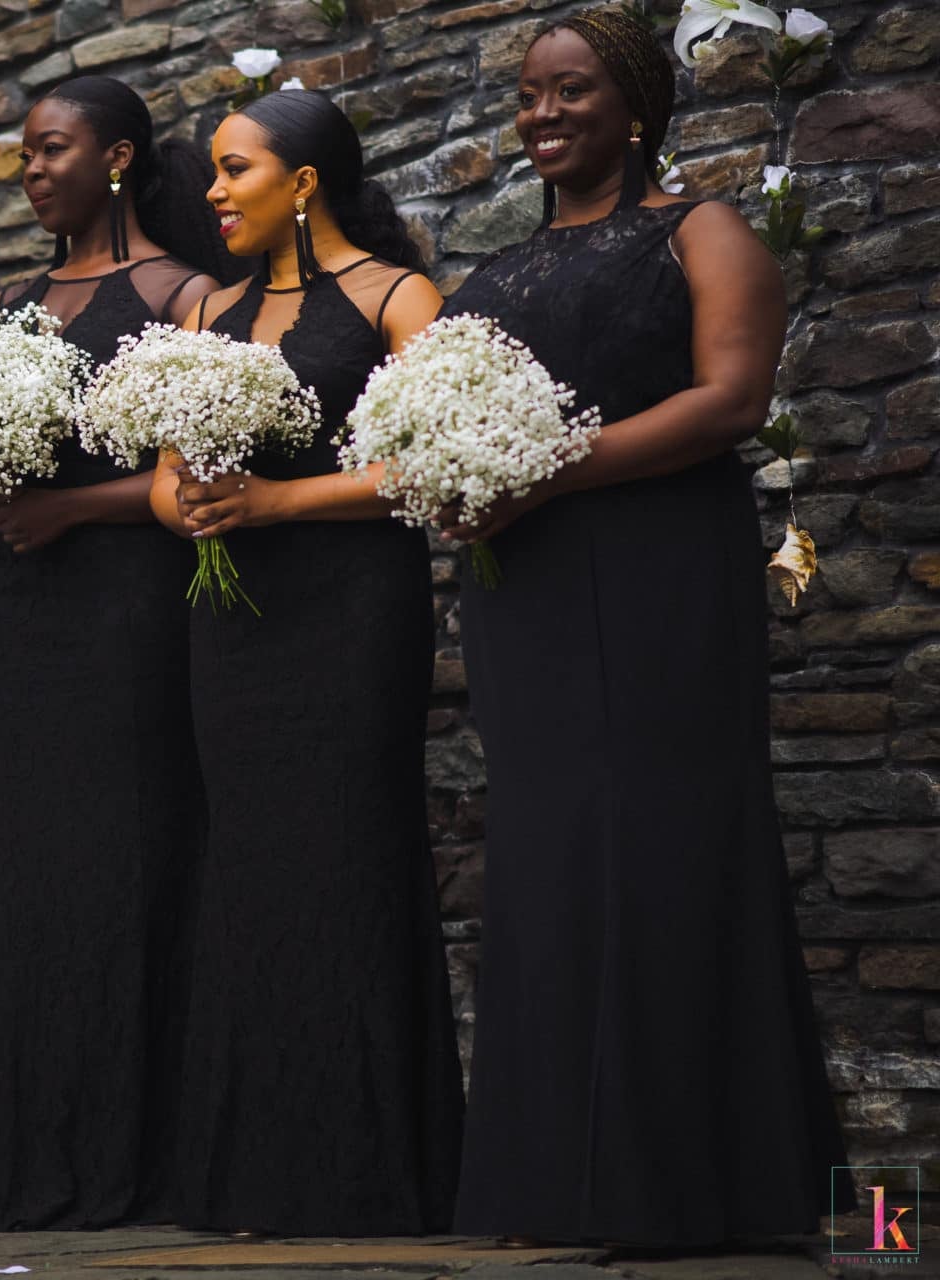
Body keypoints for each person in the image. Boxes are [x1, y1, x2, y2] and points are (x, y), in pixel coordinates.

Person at [435, 6, 851, 1246]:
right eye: (528, 93)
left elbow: (730, 397)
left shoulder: (702, 229)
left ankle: (722, 1189)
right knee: (555, 860)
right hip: (532, 593)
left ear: (632, 104)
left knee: (669, 850)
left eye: (569, 91)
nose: (543, 112)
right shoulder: (496, 271)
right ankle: (553, 1181)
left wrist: (545, 469)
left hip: (664, 570)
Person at [148, 88, 464, 1236]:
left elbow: (433, 464)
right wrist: (190, 502)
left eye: (234, 170)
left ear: (305, 182)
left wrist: (282, 497)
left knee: (348, 853)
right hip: (229, 618)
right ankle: (255, 1165)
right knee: (247, 862)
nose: (213, 191)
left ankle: (370, 1167)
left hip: (349, 613)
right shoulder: (206, 311)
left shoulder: (396, 294)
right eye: (213, 173)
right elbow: (159, 477)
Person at [0, 75, 228, 1233]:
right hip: (16, 611)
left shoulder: (185, 295)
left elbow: (187, 479)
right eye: (25, 153)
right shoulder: (9, 300)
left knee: (124, 852)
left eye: (51, 150)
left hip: (123, 607)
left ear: (118, 159)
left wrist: (70, 511)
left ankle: (123, 1148)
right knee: (23, 862)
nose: (30, 169)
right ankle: (16, 1144)